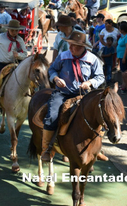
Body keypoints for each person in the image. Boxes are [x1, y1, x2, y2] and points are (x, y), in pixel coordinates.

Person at [41, 30, 105, 162]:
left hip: (84, 94)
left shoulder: (93, 59)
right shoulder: (63, 55)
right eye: (69, 44)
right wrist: (56, 78)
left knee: (100, 116)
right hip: (63, 93)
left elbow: (100, 77)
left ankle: (98, 149)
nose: (70, 48)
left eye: (73, 45)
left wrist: (90, 82)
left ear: (82, 47)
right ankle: (46, 148)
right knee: (52, 116)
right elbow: (52, 69)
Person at [0, 20, 28, 112]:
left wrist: (18, 56)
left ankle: (27, 98)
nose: (14, 33)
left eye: (16, 31)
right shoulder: (0, 37)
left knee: (26, 77)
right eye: (12, 30)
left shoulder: (19, 40)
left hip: (15, 64)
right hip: (0, 63)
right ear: (8, 29)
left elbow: (25, 54)